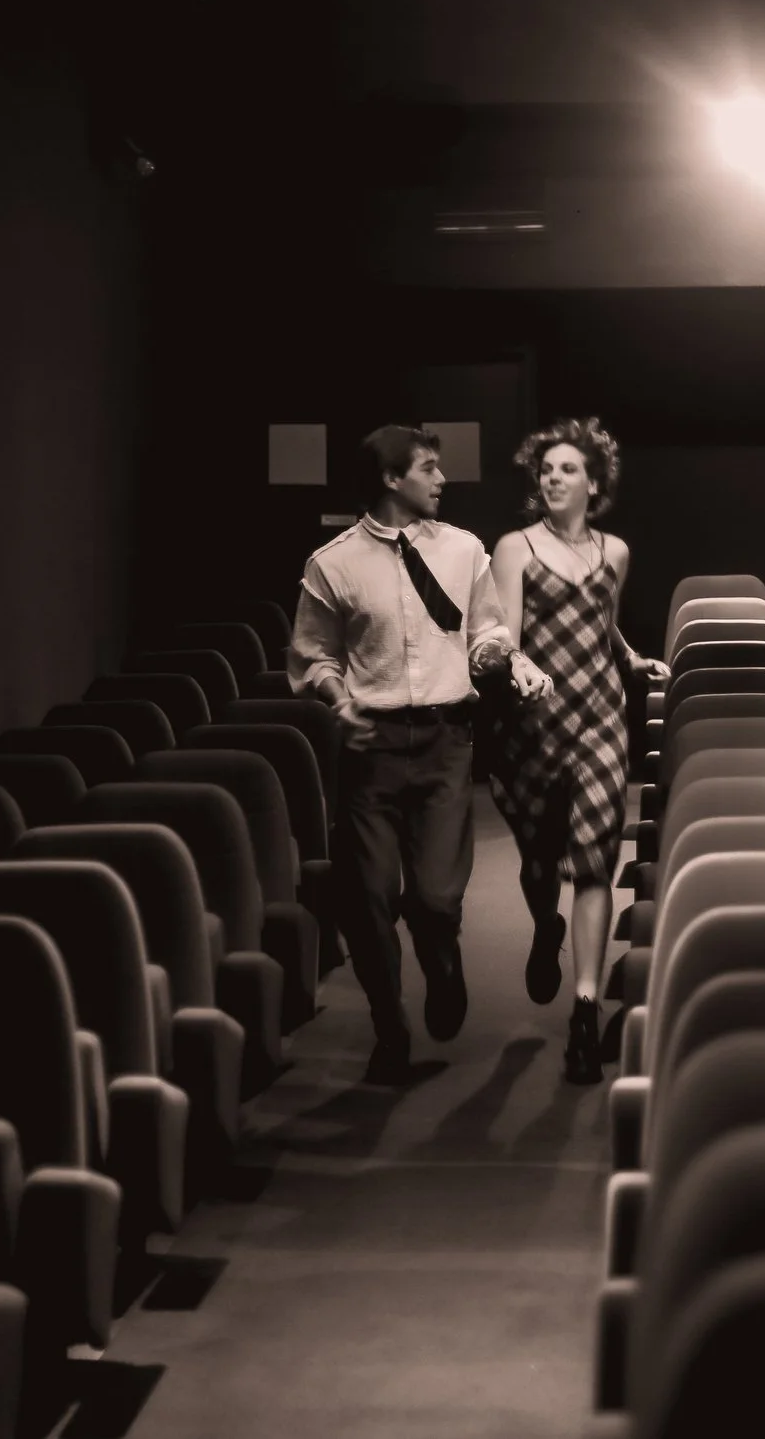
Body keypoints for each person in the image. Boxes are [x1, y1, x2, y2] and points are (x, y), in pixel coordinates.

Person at [290, 424, 548, 1085]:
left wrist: (507, 659)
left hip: (444, 741)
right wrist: (334, 693)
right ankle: (389, 1030)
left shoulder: (464, 550)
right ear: (391, 479)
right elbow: (313, 653)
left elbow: (485, 629)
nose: (441, 480)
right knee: (370, 898)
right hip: (371, 746)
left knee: (434, 897)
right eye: (428, 469)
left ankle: (442, 958)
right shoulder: (333, 564)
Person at [486, 417, 667, 1084]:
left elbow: (604, 620)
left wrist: (631, 655)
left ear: (594, 482)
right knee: (541, 862)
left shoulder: (614, 551)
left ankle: (584, 1009)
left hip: (600, 717)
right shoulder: (514, 546)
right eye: (547, 469)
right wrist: (521, 668)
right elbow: (506, 633)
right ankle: (544, 928)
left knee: (594, 859)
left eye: (567, 469)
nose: (554, 478)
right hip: (534, 720)